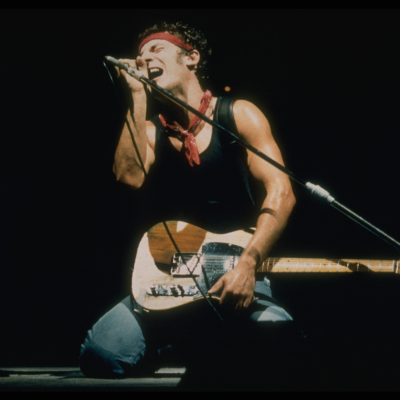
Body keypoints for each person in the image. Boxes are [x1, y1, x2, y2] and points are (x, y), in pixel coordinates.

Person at [79, 22, 298, 388]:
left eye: (156, 51)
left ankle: (212, 341)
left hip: (236, 270)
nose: (145, 58)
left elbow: (282, 192)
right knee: (100, 355)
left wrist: (248, 264)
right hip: (169, 278)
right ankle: (192, 337)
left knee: (278, 338)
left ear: (191, 58)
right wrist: (135, 95)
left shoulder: (238, 114)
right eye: (141, 54)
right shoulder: (149, 130)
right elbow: (128, 177)